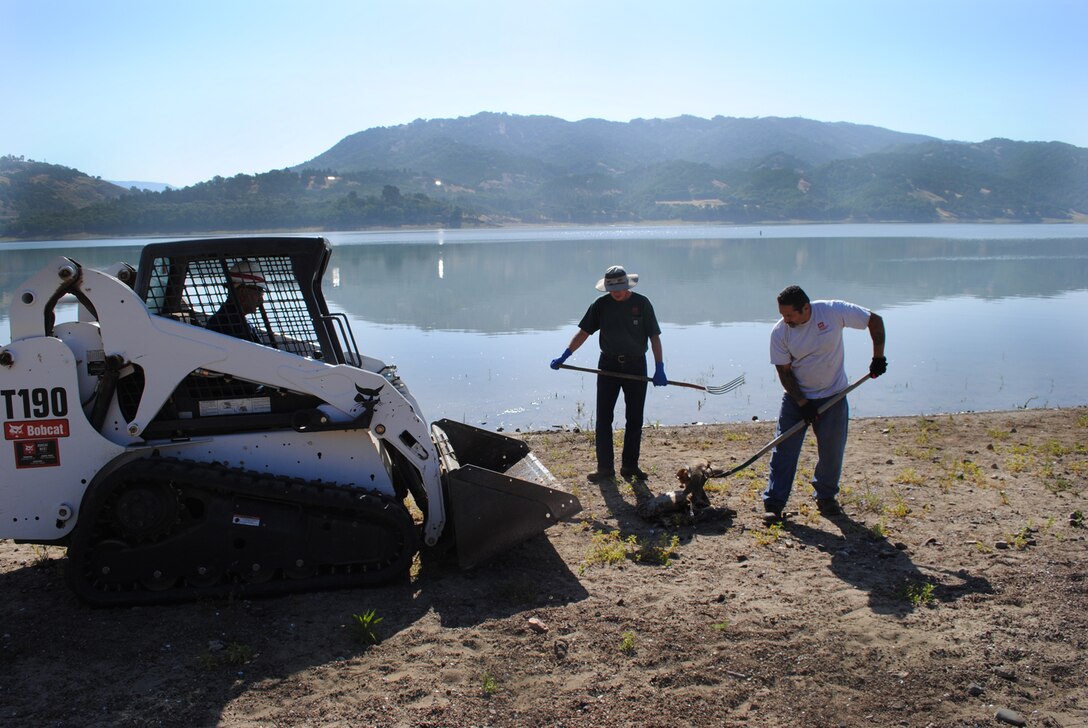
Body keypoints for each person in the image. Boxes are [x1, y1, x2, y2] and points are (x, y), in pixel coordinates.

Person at [762, 285, 886, 523]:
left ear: (805, 308)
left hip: (834, 395)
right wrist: (802, 402)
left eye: (789, 315)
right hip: (796, 399)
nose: (784, 319)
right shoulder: (780, 333)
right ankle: (774, 504)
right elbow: (784, 373)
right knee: (784, 450)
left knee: (831, 450)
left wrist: (878, 357)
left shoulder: (832, 312)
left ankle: (826, 497)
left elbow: (875, 320)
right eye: (782, 314)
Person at [550, 265, 668, 482]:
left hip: (636, 365)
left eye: (620, 288)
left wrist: (659, 367)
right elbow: (584, 332)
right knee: (603, 418)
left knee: (634, 418)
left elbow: (654, 337)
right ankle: (605, 468)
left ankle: (630, 467)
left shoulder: (642, 303)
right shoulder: (601, 305)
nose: (616, 293)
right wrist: (565, 354)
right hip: (608, 365)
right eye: (612, 289)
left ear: (627, 285)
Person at [206, 260, 267, 343]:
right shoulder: (229, 326)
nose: (261, 300)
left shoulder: (234, 322)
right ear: (242, 292)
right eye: (259, 294)